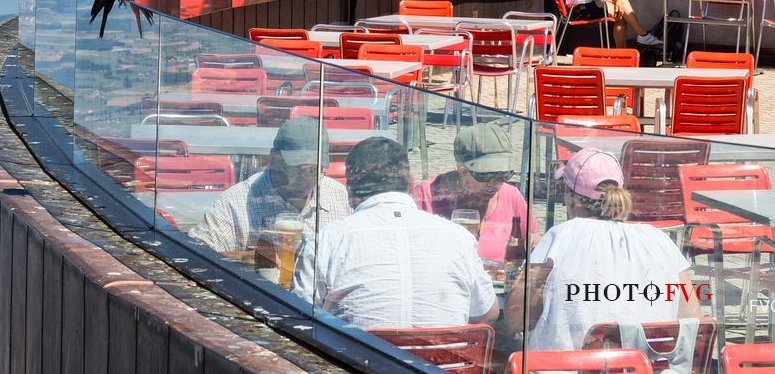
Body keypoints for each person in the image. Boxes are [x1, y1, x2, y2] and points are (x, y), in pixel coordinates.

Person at [504, 148, 700, 351]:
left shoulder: (560, 238)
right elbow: (692, 320)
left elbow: (515, 318)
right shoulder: (660, 241)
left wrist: (530, 274)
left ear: (570, 197)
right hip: (645, 367)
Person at [293, 137, 498, 329]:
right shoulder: (459, 238)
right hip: (443, 366)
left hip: (357, 362)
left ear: (351, 189)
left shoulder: (328, 240)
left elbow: (301, 314)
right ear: (410, 181)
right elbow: (487, 313)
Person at [188, 117, 350, 255]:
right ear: (274, 159)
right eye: (297, 170)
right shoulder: (234, 204)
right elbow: (199, 256)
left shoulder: (339, 197)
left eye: (314, 170)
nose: (306, 180)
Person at [413, 123, 537, 262]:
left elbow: (531, 241)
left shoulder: (511, 197)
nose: (494, 184)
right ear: (462, 170)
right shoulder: (427, 196)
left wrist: (534, 243)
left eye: (502, 175)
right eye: (484, 175)